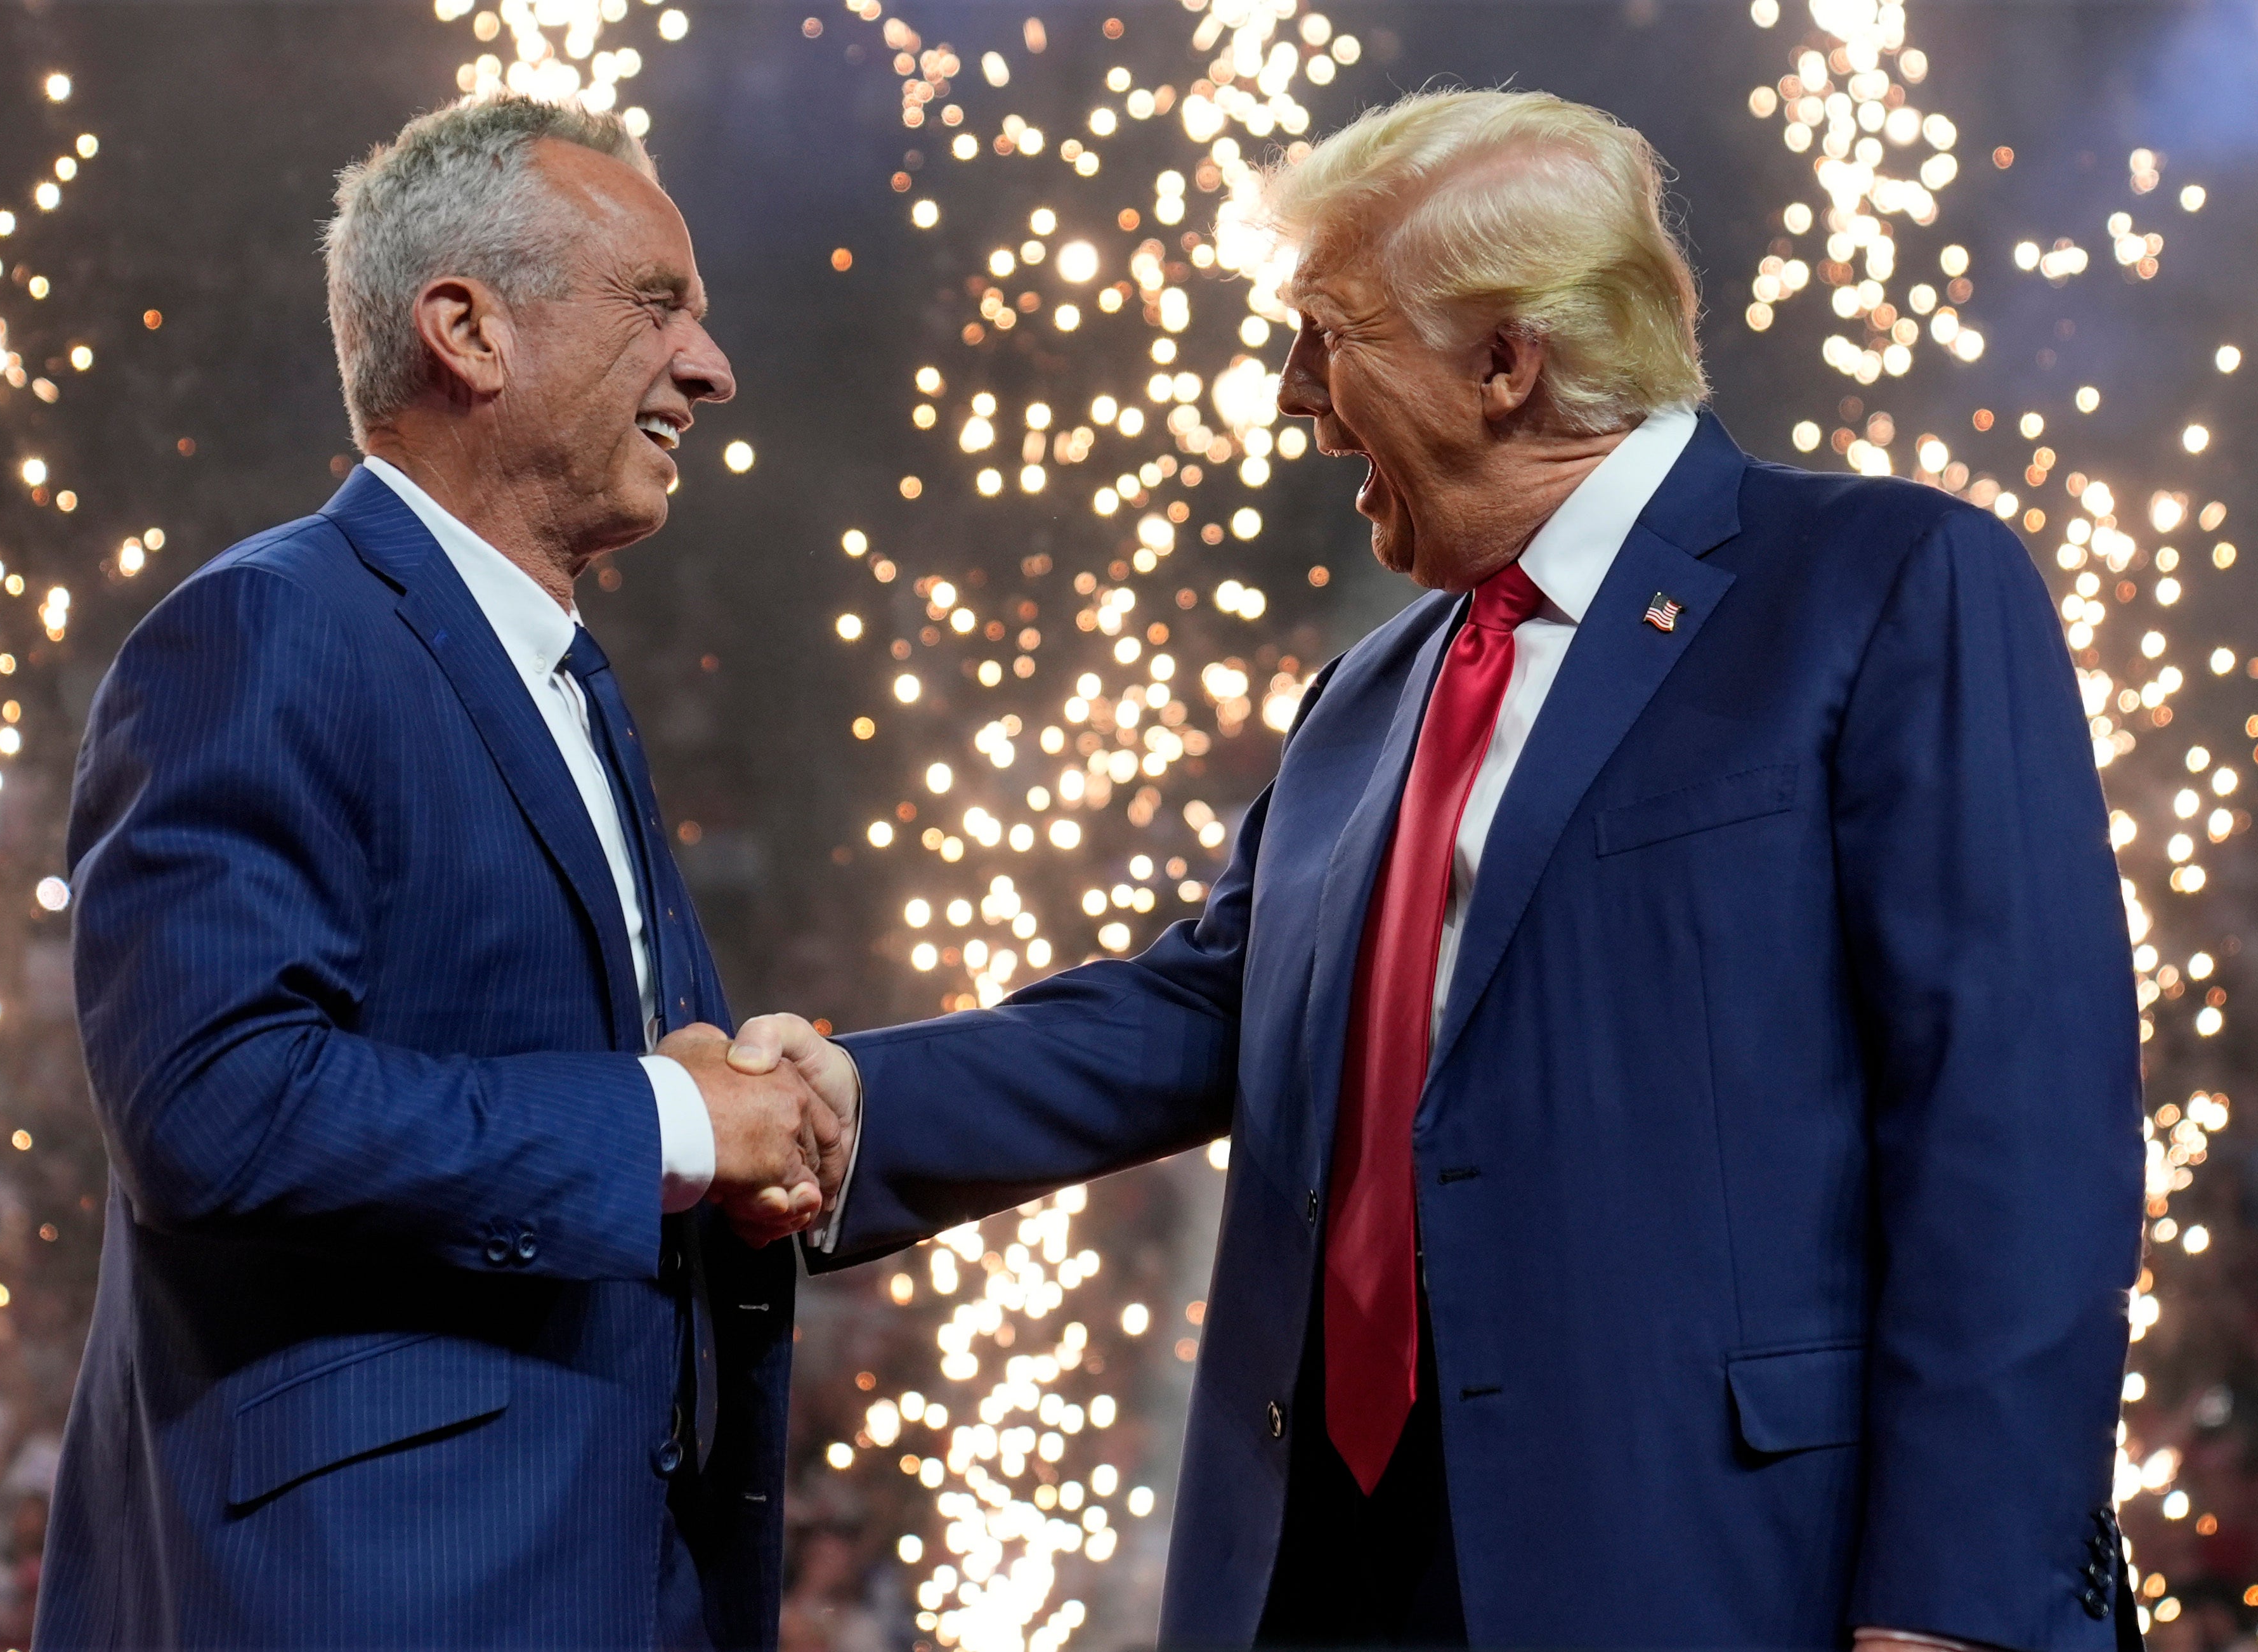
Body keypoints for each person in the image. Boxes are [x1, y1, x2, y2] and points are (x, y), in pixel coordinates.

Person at [738, 89, 2146, 1648]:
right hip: (1333, 1567)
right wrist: (848, 1106)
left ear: (1504, 362)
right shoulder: (1371, 689)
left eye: (1325, 331)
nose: (1291, 397)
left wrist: (1961, 1610)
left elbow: (2015, 1126)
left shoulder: (1883, 585)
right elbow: (1208, 1008)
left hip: (1718, 1564)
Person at [36, 94, 842, 1650]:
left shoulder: (565, 681)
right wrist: (671, 1120)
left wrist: (696, 1105)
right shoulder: (267, 628)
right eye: (658, 304)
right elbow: (217, 1104)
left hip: (600, 1570)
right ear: (467, 330)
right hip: (374, 1586)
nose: (712, 367)